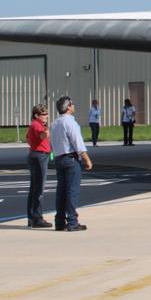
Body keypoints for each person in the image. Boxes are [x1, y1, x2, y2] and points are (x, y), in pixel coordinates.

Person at [49, 96, 93, 231]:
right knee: (72, 191)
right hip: (71, 159)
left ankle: (60, 221)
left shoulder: (54, 123)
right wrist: (86, 159)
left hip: (59, 158)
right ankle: (72, 221)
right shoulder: (71, 123)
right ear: (68, 107)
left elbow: (52, 143)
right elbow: (77, 143)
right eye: (72, 104)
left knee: (61, 191)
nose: (73, 106)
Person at [25, 104, 52, 228]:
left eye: (46, 114)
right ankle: (37, 218)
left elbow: (27, 137)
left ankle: (32, 217)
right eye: (44, 114)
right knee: (39, 189)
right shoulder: (37, 125)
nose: (46, 116)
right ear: (37, 115)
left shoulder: (34, 125)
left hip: (36, 154)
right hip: (40, 156)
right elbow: (42, 135)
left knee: (34, 188)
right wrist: (46, 131)